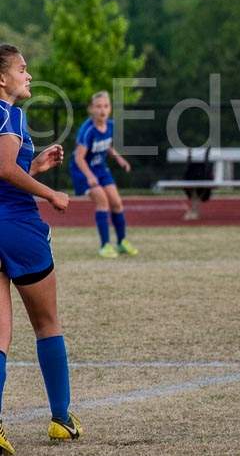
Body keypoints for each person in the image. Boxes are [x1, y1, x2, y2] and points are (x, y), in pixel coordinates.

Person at [0, 44, 82, 452]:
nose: (28, 75)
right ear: (2, 78)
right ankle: (60, 419)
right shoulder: (9, 113)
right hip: (17, 227)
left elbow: (5, 171)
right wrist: (50, 193)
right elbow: (3, 169)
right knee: (47, 324)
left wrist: (35, 167)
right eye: (22, 68)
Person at [69, 91, 137, 258]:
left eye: (106, 106)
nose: (102, 110)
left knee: (117, 203)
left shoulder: (110, 125)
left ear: (110, 109)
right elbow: (79, 158)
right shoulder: (87, 130)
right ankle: (105, 245)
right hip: (83, 170)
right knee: (103, 202)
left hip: (100, 168)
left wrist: (119, 159)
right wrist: (90, 177)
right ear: (91, 109)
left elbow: (107, 145)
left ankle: (121, 242)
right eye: (98, 106)